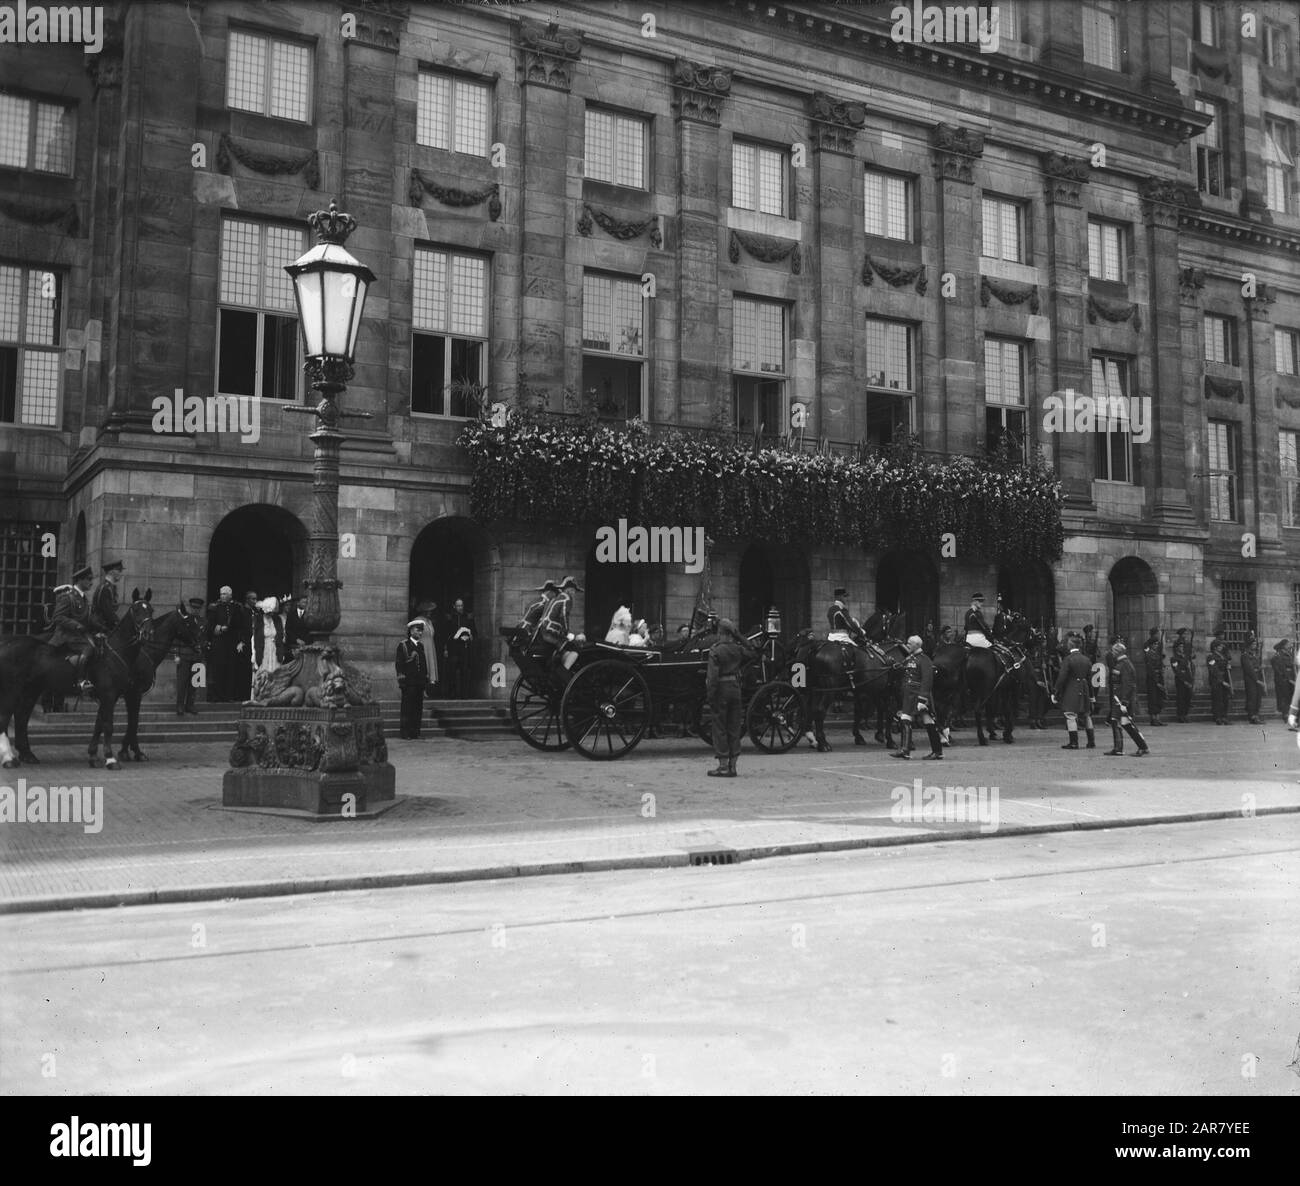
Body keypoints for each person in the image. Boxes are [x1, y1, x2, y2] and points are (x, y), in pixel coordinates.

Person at [47, 565, 104, 695]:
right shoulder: (68, 597)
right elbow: (58, 617)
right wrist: (76, 625)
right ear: (79, 580)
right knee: (89, 648)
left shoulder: (82, 598)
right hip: (66, 635)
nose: (91, 582)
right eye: (88, 579)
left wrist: (102, 627)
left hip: (78, 636)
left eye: (91, 579)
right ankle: (81, 681)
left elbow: (88, 619)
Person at [706, 618, 752, 777]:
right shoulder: (738, 649)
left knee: (719, 728)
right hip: (735, 689)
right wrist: (740, 637)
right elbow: (752, 651)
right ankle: (733, 766)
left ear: (720, 633)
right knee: (734, 727)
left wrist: (710, 695)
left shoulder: (715, 650)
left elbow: (712, 678)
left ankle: (723, 765)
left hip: (721, 690)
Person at [892, 634, 944, 760]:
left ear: (916, 645)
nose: (907, 645)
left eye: (909, 643)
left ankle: (937, 751)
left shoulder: (924, 659)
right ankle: (905, 750)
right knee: (905, 719)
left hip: (919, 695)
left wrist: (922, 699)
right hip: (909, 695)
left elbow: (927, 680)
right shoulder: (910, 658)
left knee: (928, 722)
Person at [1104, 641, 1149, 756]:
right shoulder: (1121, 663)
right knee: (1121, 722)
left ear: (1118, 652)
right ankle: (1121, 748)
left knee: (1121, 722)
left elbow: (1129, 685)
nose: (1112, 653)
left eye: (1113, 651)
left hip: (1123, 700)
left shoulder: (1125, 664)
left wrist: (1124, 702)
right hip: (1118, 698)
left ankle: (1140, 747)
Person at [1052, 632, 1095, 750]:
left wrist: (1056, 691)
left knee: (1070, 715)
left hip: (1072, 687)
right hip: (1084, 686)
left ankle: (1074, 742)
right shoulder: (1086, 659)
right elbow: (1090, 678)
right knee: (1086, 715)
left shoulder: (1068, 659)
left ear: (1070, 646)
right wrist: (1091, 695)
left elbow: (1062, 677)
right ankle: (1091, 741)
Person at [205, 585, 244, 702]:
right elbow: (209, 625)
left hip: (232, 643)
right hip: (219, 643)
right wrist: (220, 628)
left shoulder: (236, 607)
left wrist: (241, 641)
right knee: (218, 669)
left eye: (225, 594)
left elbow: (240, 626)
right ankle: (216, 696)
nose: (222, 596)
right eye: (221, 594)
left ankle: (229, 696)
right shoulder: (214, 607)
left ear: (230, 595)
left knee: (230, 669)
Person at [395, 620, 431, 739]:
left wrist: (425, 683)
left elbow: (423, 665)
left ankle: (415, 732)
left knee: (417, 709)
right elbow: (399, 664)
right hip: (409, 683)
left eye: (421, 631)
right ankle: (405, 733)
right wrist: (402, 682)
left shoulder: (420, 646)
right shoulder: (404, 645)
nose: (420, 633)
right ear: (411, 631)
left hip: (419, 683)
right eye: (417, 630)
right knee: (407, 709)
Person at [173, 597, 207, 716]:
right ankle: (180, 706)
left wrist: (202, 648)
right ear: (190, 607)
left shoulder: (204, 621)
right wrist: (176, 654)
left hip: (197, 657)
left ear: (201, 609)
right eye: (194, 608)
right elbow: (177, 638)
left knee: (195, 684)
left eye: (198, 608)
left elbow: (205, 638)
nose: (196, 610)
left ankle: (190, 705)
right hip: (184, 655)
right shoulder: (185, 621)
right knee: (182, 682)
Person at [248, 595, 287, 686]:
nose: (271, 614)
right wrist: (254, 656)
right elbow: (254, 638)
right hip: (263, 649)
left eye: (273, 612)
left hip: (274, 650)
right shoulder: (259, 620)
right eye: (270, 612)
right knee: (263, 671)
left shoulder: (277, 620)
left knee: (275, 672)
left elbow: (281, 636)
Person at [443, 597, 477, 698]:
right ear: (454, 606)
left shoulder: (468, 618)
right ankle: (451, 694)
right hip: (453, 647)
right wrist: (445, 649)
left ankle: (464, 695)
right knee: (452, 671)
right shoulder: (450, 618)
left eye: (461, 605)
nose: (460, 607)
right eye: (458, 605)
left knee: (464, 671)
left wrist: (470, 637)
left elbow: (474, 632)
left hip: (464, 648)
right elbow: (445, 634)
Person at [411, 600, 440, 695]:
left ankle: (426, 690)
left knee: (429, 668)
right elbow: (414, 635)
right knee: (422, 668)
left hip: (430, 648)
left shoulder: (429, 622)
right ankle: (421, 690)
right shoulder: (417, 620)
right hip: (422, 647)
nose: (430, 613)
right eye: (429, 611)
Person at [1142, 628, 1167, 726]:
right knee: (1152, 698)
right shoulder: (1149, 655)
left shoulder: (1157, 654)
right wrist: (1156, 678)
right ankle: (1153, 718)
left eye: (1157, 644)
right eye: (1155, 644)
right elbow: (1150, 668)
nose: (1156, 646)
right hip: (1152, 678)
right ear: (1151, 645)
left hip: (1159, 676)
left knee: (1159, 697)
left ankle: (1158, 718)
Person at [1206, 636, 1232, 725]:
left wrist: (1228, 666)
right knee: (1218, 699)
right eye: (1220, 646)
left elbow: (1225, 668)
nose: (1222, 647)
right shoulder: (1211, 657)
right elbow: (1214, 670)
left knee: (1225, 699)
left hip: (1224, 679)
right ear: (1215, 647)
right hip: (1216, 681)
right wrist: (1222, 681)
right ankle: (1218, 717)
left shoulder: (1223, 657)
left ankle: (1224, 717)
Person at [1240, 632, 1264, 724]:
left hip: (1257, 678)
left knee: (1258, 697)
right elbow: (1249, 669)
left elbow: (1256, 666)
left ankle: (1256, 715)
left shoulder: (1254, 655)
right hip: (1251, 679)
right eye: (1253, 644)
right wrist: (1257, 680)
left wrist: (1259, 668)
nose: (1255, 645)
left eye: (1255, 644)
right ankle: (1252, 716)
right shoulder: (1245, 655)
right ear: (1249, 645)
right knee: (1252, 697)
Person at [1171, 627, 1195, 722]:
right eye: (1180, 647)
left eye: (1182, 647)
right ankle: (1180, 715)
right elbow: (1177, 671)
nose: (1182, 648)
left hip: (1188, 678)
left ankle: (1185, 714)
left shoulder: (1185, 657)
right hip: (1181, 680)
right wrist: (1185, 681)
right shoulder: (1175, 658)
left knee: (1187, 697)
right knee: (1181, 698)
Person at [92, 560, 124, 631]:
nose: (121, 574)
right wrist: (118, 623)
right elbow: (107, 611)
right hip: (101, 626)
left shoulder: (110, 587)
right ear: (111, 572)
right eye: (119, 571)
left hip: (107, 624)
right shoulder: (105, 588)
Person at [1271, 639, 1294, 717]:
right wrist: (1285, 677)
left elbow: (1292, 666)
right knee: (1285, 696)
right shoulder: (1278, 654)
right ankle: (1285, 714)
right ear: (1284, 646)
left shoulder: (1290, 653)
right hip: (1283, 679)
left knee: (1290, 695)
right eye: (1289, 644)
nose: (1291, 645)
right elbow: (1279, 668)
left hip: (1290, 678)